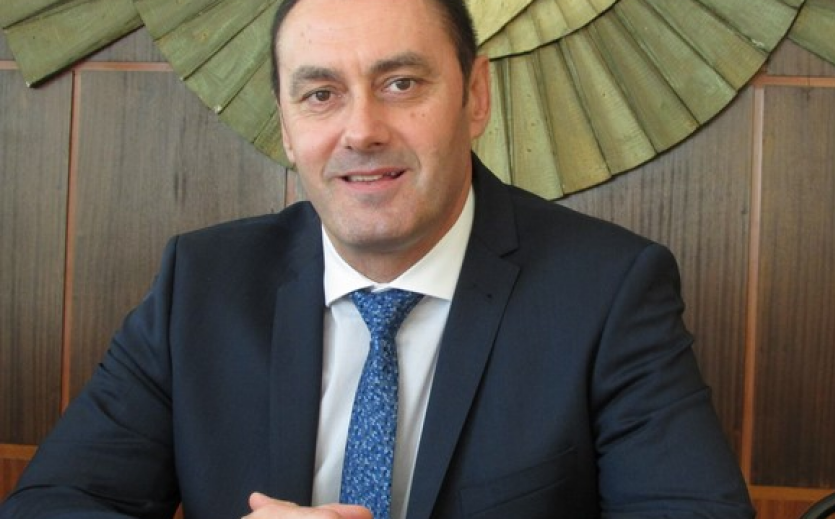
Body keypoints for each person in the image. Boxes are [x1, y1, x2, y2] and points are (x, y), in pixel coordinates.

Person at [0, 0, 755, 517]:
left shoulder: (610, 291)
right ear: (286, 127)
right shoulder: (199, 284)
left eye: (400, 83)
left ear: (475, 96)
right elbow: (54, 503)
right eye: (320, 94)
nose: (361, 130)